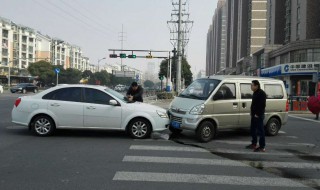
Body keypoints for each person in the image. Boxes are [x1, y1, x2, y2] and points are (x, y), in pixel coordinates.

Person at [246, 80, 267, 152]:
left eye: (252, 85)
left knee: (260, 131)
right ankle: (254, 144)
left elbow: (262, 105)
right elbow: (254, 104)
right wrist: (251, 112)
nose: (251, 87)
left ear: (256, 86)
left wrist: (257, 114)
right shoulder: (255, 93)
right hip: (254, 115)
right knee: (252, 130)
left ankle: (262, 146)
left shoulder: (262, 93)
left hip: (258, 115)